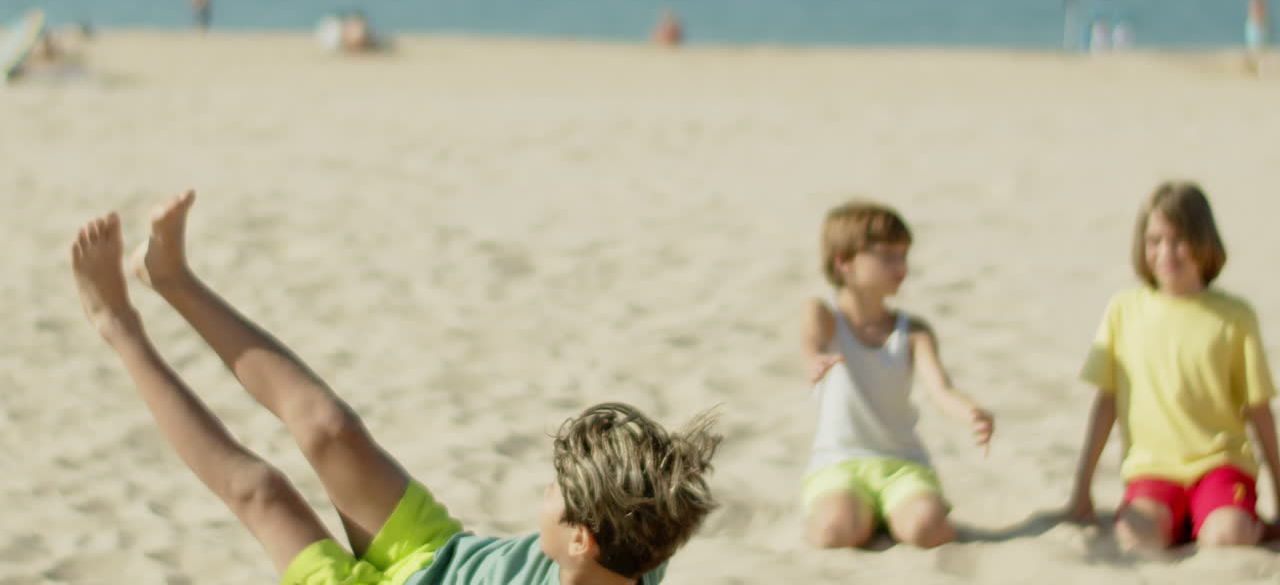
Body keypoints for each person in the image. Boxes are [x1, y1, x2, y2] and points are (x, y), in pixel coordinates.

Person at [69, 190, 721, 585]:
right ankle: (171, 277)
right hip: (440, 553)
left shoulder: (618, 544)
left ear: (583, 540)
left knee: (263, 492)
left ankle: (119, 325)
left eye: (557, 493)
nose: (546, 493)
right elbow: (661, 496)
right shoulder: (642, 546)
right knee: (330, 427)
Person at [1065, 181, 1280, 550]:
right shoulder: (1124, 311)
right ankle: (1182, 524)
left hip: (1220, 466)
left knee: (1227, 537)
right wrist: (1081, 490)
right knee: (1135, 539)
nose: (1166, 252)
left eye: (1179, 240)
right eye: (1155, 240)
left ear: (1203, 242)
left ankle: (1238, 522)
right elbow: (1106, 405)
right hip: (1152, 470)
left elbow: (1258, 411)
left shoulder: (1234, 317)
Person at [801, 201, 994, 549]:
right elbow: (811, 341)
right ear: (844, 262)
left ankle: (894, 513)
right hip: (839, 462)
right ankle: (864, 514)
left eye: (903, 256)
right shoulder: (823, 313)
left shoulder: (913, 330)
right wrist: (815, 359)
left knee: (926, 530)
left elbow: (941, 390)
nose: (901, 266)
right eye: (887, 256)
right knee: (836, 532)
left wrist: (971, 412)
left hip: (902, 464)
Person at [1246, 0, 1270, 74]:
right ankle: (1255, 68)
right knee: (1256, 49)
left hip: (1257, 26)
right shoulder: (1256, 2)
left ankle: (1256, 68)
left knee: (1259, 49)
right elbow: (1256, 14)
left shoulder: (1258, 2)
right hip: (1255, 26)